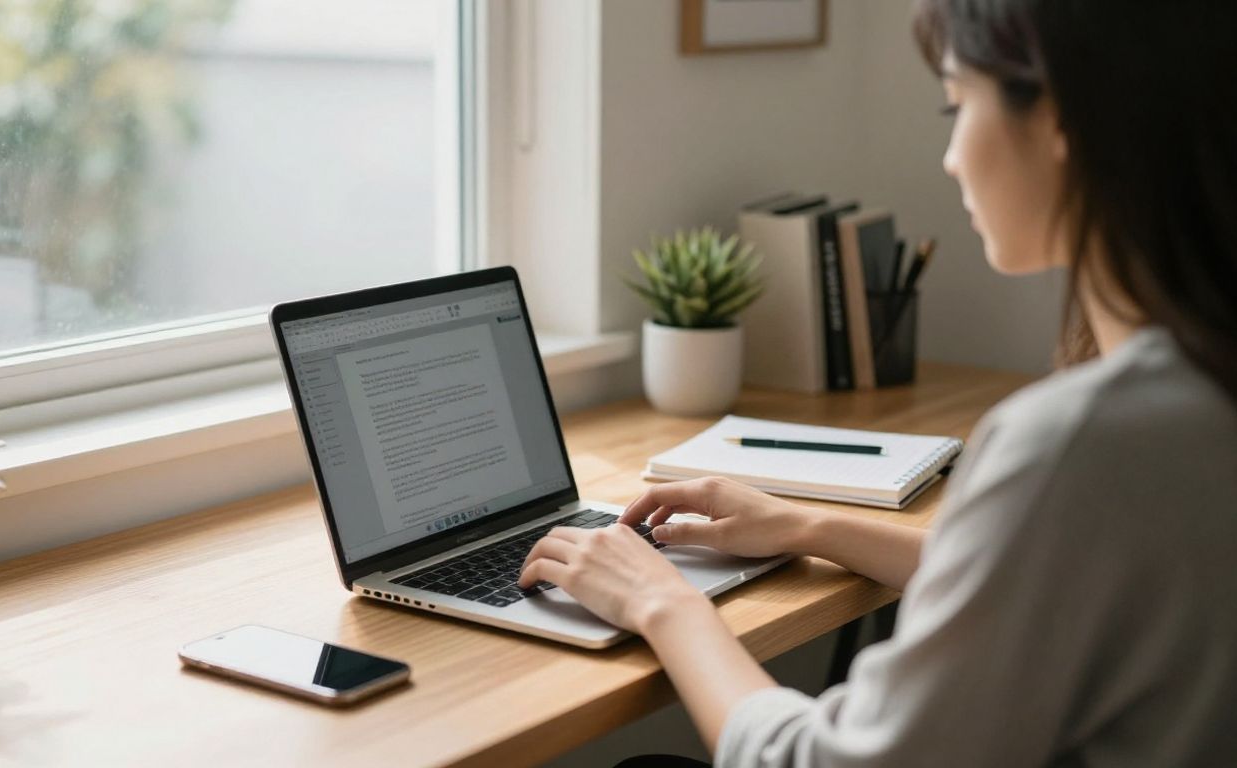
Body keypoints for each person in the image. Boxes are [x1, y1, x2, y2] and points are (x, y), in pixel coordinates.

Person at [517, 0, 1237, 764]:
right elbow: (1045, 584)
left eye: (957, 105)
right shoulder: (1195, 393)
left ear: (1061, 119)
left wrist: (663, 603)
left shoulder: (1078, 442)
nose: (951, 158)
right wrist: (810, 527)